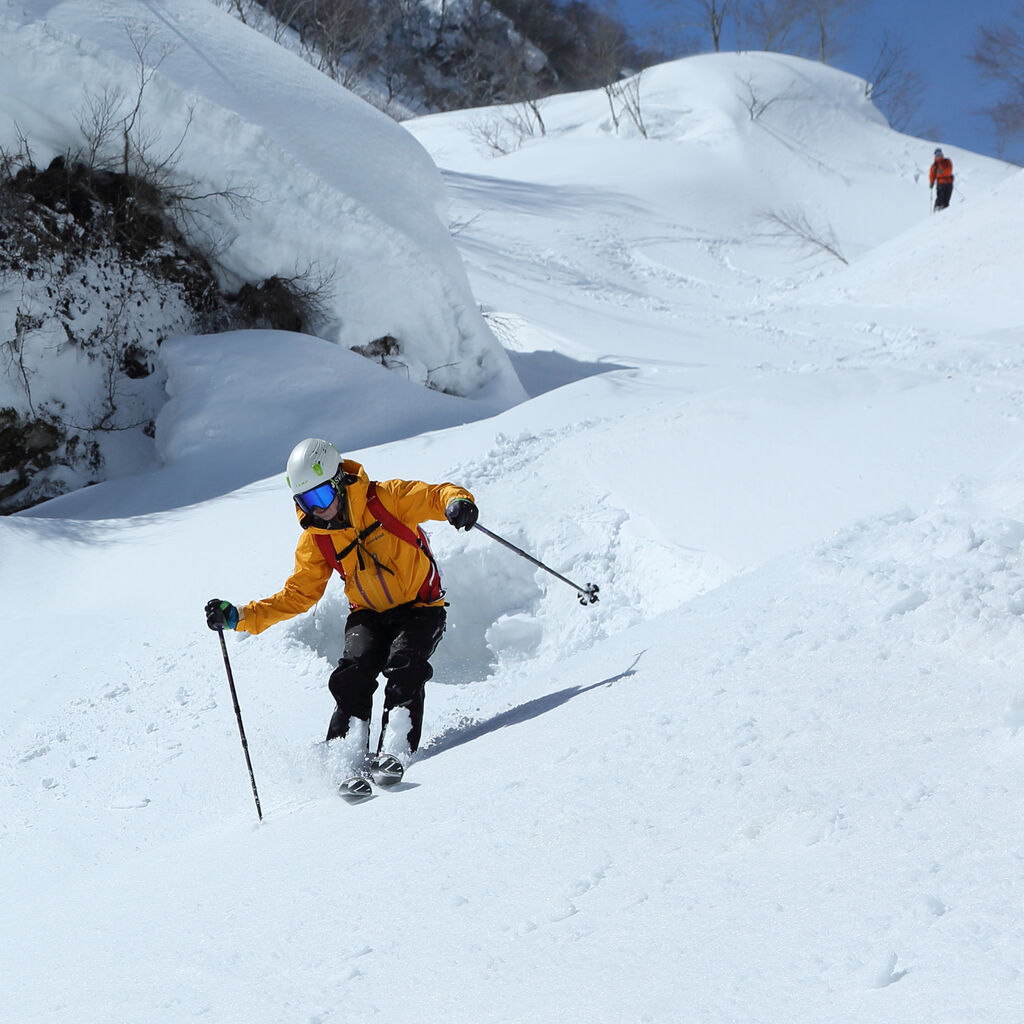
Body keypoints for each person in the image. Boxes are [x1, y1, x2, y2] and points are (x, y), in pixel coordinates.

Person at [205, 438, 478, 780]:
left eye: (321, 497)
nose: (317, 510)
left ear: (339, 482)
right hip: (369, 614)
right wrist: (241, 616)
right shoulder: (317, 537)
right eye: (306, 501)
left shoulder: (386, 499)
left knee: (404, 664)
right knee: (353, 673)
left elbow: (433, 496)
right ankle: (344, 760)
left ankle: (394, 748)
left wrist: (458, 502)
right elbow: (298, 594)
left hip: (421, 607)